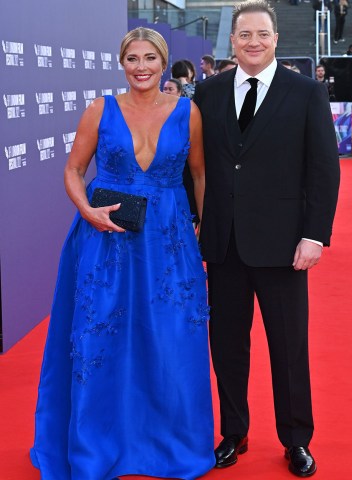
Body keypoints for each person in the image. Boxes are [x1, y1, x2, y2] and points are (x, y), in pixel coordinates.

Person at [30, 26, 215, 480]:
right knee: (101, 336)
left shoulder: (188, 112)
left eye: (150, 58)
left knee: (173, 338)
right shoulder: (101, 110)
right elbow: (73, 170)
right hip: (105, 237)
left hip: (168, 240)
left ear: (164, 62)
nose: (141, 67)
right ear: (121, 62)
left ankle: (171, 444)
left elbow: (201, 176)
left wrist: (201, 236)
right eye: (132, 58)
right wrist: (87, 211)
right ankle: (97, 446)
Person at [194, 1, 340, 477]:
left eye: (261, 34)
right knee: (227, 345)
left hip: (282, 246)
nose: (253, 42)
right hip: (224, 243)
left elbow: (323, 170)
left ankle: (296, 439)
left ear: (276, 38)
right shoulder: (208, 92)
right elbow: (195, 168)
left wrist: (314, 235)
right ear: (231, 40)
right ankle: (233, 432)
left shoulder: (306, 92)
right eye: (244, 34)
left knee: (288, 347)